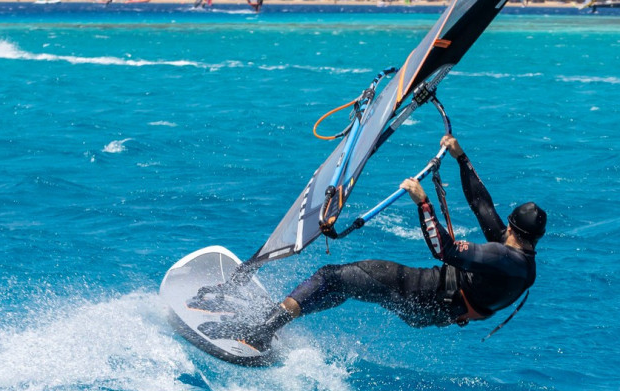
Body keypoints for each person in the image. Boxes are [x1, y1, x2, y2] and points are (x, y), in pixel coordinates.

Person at [197, 135, 546, 352]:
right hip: (438, 309)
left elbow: (447, 251)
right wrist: (461, 157)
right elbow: (482, 206)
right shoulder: (521, 257)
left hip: (424, 295)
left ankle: (260, 332)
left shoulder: (504, 257)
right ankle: (278, 318)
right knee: (345, 284)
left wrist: (423, 203)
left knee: (332, 277)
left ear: (512, 228)